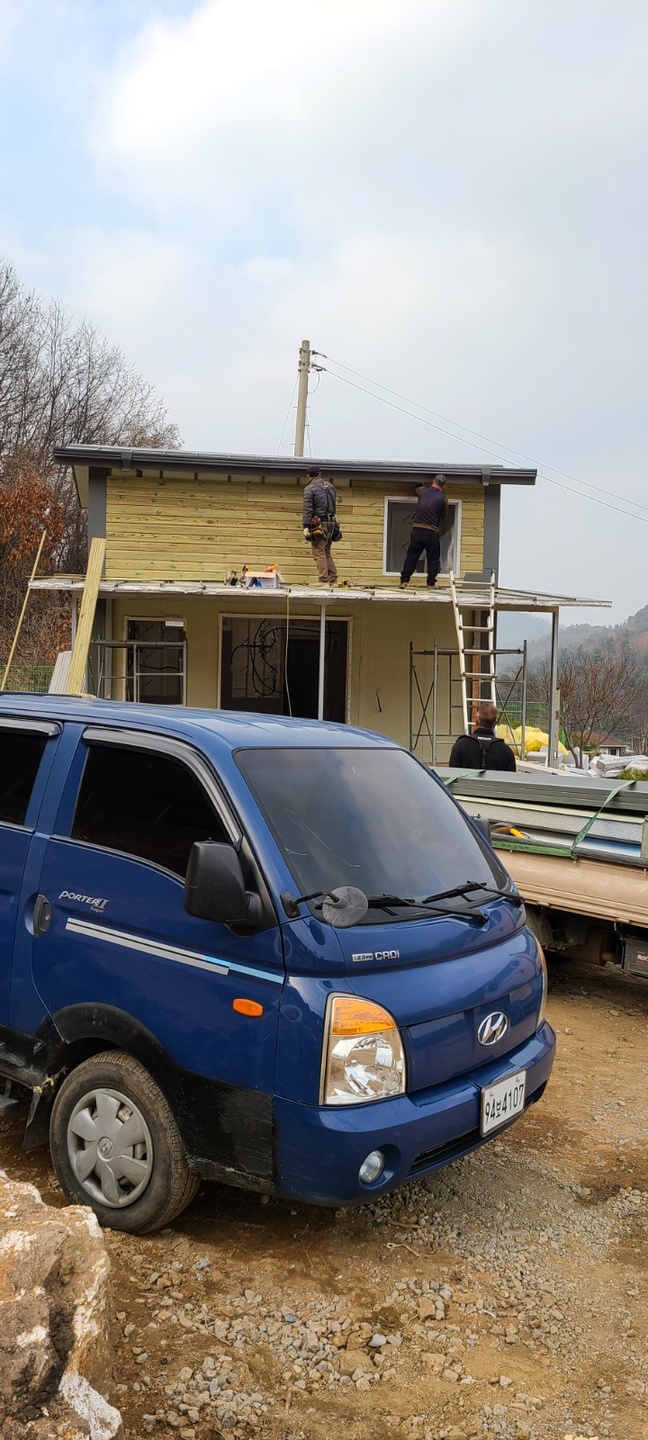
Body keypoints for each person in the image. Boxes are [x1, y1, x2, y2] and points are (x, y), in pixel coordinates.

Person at [399, 473, 448, 588]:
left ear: (432, 482)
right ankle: (430, 584)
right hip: (431, 531)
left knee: (412, 556)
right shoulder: (443, 498)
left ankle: (404, 581)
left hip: (417, 531)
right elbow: (444, 515)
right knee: (433, 559)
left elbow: (416, 488)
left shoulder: (422, 491)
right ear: (443, 486)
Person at [449, 702, 517, 771]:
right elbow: (511, 778)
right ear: (495, 723)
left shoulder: (460, 745)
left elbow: (452, 774)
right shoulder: (506, 751)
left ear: (476, 721)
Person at [302, 464, 339, 585]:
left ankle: (323, 580)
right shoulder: (331, 487)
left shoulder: (310, 489)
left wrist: (306, 526)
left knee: (319, 551)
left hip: (320, 524)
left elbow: (308, 509)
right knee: (326, 551)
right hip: (332, 524)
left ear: (308, 476)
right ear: (319, 474)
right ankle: (332, 579)